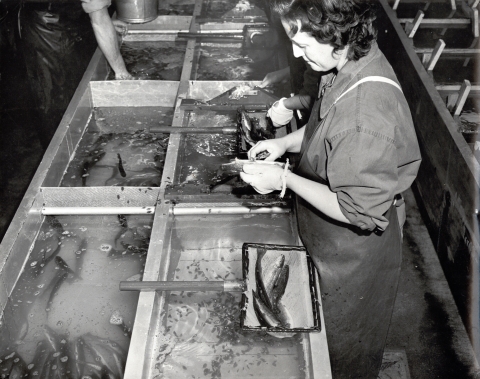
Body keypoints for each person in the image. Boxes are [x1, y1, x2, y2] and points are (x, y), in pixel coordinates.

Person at [240, 0, 421, 378]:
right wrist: (284, 144)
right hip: (329, 234)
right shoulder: (351, 60)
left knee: (340, 352)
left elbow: (357, 211)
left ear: (336, 37)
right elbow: (327, 122)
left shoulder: (364, 115)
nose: (295, 53)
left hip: (353, 253)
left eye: (304, 45)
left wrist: (283, 179)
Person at [20, 0, 132, 147]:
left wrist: (104, 20)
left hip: (68, 17)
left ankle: (88, 148)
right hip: (47, 26)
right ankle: (62, 157)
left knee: (80, 91)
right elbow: (98, 18)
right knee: (58, 100)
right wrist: (122, 72)